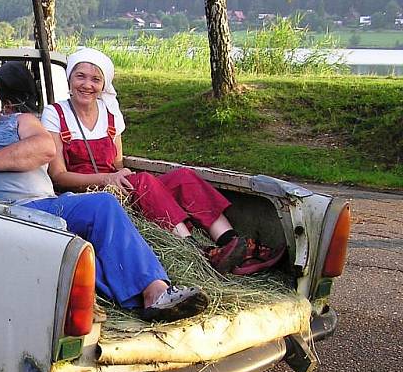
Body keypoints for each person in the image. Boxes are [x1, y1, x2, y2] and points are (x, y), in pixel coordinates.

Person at [0, 62, 209, 322]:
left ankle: (154, 293)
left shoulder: (19, 122)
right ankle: (127, 298)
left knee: (101, 208)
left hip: (49, 205)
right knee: (81, 234)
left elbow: (45, 148)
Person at [41, 47, 284, 275]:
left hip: (117, 187)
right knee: (144, 180)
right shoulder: (55, 113)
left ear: (104, 84)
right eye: (80, 76)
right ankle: (194, 250)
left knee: (183, 177)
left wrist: (119, 176)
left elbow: (117, 163)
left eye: (95, 79)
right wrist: (109, 179)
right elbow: (59, 176)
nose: (87, 85)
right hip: (86, 194)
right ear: (69, 79)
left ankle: (231, 242)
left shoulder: (110, 113)